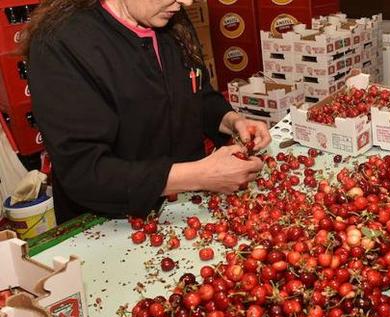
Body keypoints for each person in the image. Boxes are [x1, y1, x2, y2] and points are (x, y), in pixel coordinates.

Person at [24, 0, 270, 224]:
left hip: (182, 211)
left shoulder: (171, 19)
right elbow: (85, 171)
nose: (186, 2)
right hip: (109, 224)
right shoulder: (60, 42)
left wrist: (232, 120)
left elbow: (196, 91)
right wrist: (200, 175)